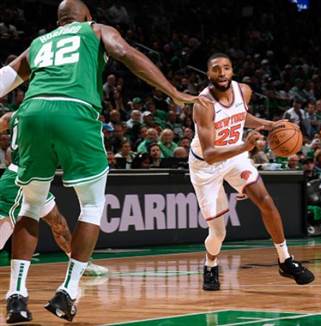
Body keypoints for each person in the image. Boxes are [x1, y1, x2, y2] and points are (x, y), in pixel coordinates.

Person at [0, 0, 206, 322]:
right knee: (92, 207)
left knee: (29, 207)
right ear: (88, 17)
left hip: (32, 113)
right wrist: (173, 92)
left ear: (58, 21)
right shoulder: (95, 30)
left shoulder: (38, 43)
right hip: (75, 112)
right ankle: (67, 292)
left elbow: (3, 81)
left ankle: (16, 296)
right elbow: (127, 54)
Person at [189, 53, 314, 291]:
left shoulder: (243, 91)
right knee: (218, 232)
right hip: (207, 166)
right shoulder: (203, 105)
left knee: (266, 201)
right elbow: (210, 154)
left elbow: (241, 116)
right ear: (208, 74)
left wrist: (267, 125)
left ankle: (285, 260)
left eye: (226, 68)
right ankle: (210, 264)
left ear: (233, 71)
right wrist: (245, 147)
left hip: (235, 156)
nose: (222, 73)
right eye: (216, 69)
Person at [0, 112, 108, 272]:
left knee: (58, 223)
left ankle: (80, 265)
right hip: (18, 181)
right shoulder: (51, 116)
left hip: (36, 181)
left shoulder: (12, 116)